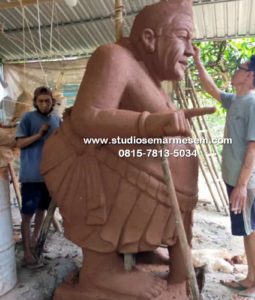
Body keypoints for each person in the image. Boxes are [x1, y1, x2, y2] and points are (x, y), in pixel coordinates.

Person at [41, 0, 215, 299]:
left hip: (154, 183)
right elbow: (87, 117)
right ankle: (101, 272)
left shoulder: (152, 79)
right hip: (87, 166)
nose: (190, 50)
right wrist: (152, 124)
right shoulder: (114, 57)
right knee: (111, 173)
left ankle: (150, 254)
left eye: (192, 40)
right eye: (183, 37)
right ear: (149, 38)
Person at [193, 47, 255, 300]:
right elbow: (211, 88)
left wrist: (241, 184)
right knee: (244, 229)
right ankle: (249, 278)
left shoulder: (253, 103)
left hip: (243, 182)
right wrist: (197, 60)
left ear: (250, 76)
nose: (236, 71)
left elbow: (254, 146)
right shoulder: (236, 100)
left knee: (251, 228)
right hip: (234, 179)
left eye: (241, 68)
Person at [16, 86, 60, 268]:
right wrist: (38, 135)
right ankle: (26, 253)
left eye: (47, 101)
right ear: (35, 102)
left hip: (50, 176)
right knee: (27, 215)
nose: (44, 104)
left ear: (52, 102)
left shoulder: (57, 119)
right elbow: (18, 143)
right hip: (32, 176)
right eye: (40, 101)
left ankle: (35, 243)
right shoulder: (27, 118)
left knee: (42, 211)